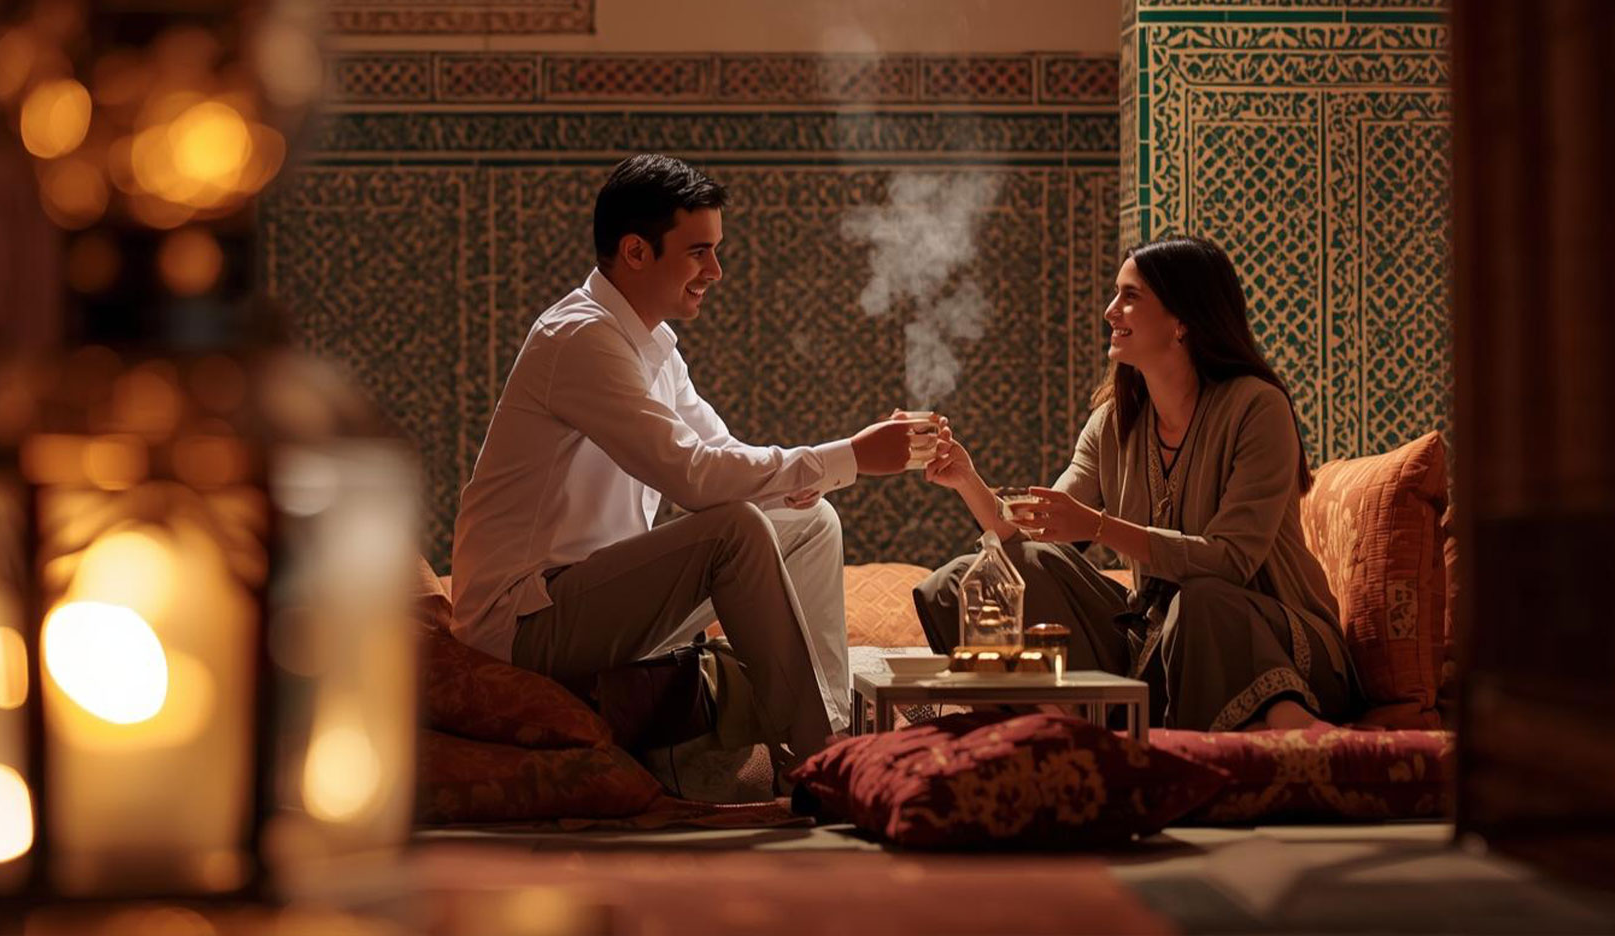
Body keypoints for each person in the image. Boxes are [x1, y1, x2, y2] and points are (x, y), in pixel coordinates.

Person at [450, 154, 920, 765]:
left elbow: (721, 456)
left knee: (811, 521)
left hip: (590, 599)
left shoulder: (655, 350)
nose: (715, 271)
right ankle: (821, 756)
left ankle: (824, 732)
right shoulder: (580, 338)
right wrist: (849, 456)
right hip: (524, 622)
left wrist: (821, 474)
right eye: (699, 252)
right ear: (636, 251)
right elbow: (693, 478)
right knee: (734, 529)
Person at [914, 236, 1357, 731]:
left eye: (1130, 296)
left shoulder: (1257, 407)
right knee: (972, 576)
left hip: (1276, 643)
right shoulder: (1111, 422)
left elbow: (1230, 562)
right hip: (1156, 643)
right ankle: (1062, 726)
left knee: (1200, 600)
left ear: (1183, 320)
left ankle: (1281, 718)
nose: (1110, 311)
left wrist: (1099, 527)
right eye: (1115, 294)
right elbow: (1038, 535)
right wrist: (966, 479)